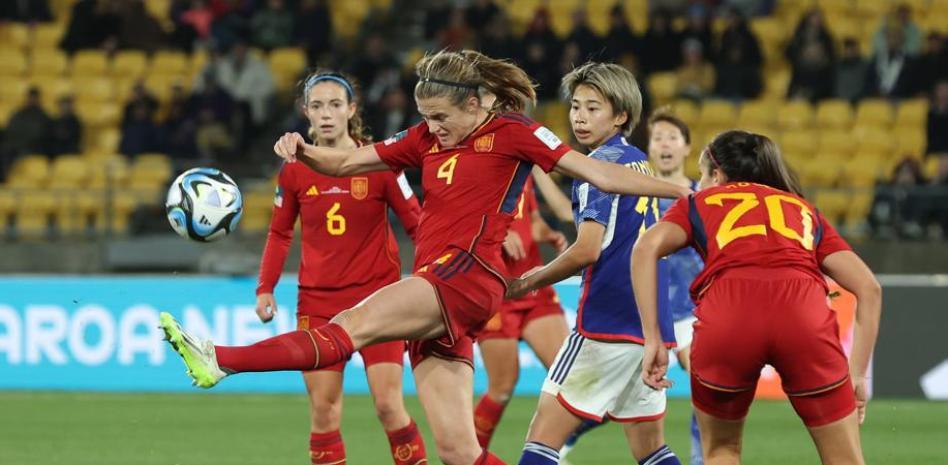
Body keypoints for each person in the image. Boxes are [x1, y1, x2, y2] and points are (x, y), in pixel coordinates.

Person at [159, 49, 689, 465]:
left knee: (352, 324)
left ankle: (221, 360)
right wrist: (302, 150)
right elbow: (346, 164)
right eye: (426, 117)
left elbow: (596, 172)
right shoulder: (423, 139)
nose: (432, 127)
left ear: (475, 103)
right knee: (459, 452)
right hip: (440, 285)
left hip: (463, 276)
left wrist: (682, 193)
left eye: (440, 116)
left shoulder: (514, 132)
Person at [632, 131, 881, 465]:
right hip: (803, 319)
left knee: (722, 451)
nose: (700, 182)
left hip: (728, 319)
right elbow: (869, 288)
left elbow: (646, 248)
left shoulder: (698, 202)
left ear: (717, 175)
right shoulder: (803, 209)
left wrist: (653, 338)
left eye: (703, 175)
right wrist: (857, 375)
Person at [508, 62, 682, 465]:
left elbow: (587, 250)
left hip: (604, 323)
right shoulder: (640, 162)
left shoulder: (596, 170)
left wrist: (532, 280)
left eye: (593, 108)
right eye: (576, 107)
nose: (580, 117)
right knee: (651, 450)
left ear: (621, 115)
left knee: (540, 442)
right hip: (649, 326)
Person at [255, 71, 427, 465]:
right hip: (318, 305)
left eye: (335, 105)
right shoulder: (294, 170)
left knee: (388, 406)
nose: (326, 114)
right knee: (324, 412)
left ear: (351, 110)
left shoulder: (381, 162)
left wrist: (437, 276)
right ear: (306, 113)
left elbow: (418, 224)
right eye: (317, 106)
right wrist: (265, 288)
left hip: (380, 301)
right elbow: (280, 233)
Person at [472, 173, 570, 448]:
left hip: (533, 286)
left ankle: (546, 451)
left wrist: (546, 233)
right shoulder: (479, 167)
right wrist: (496, 233)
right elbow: (455, 220)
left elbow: (531, 219)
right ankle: (467, 455)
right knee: (502, 387)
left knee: (571, 378)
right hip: (495, 292)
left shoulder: (522, 169)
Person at [646, 107, 704, 465]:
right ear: (649, 148)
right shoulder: (637, 194)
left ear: (686, 148)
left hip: (690, 311)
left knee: (705, 381)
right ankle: (563, 444)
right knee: (621, 399)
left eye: (672, 138)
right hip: (647, 310)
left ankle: (702, 458)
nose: (664, 144)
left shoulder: (703, 198)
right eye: (657, 138)